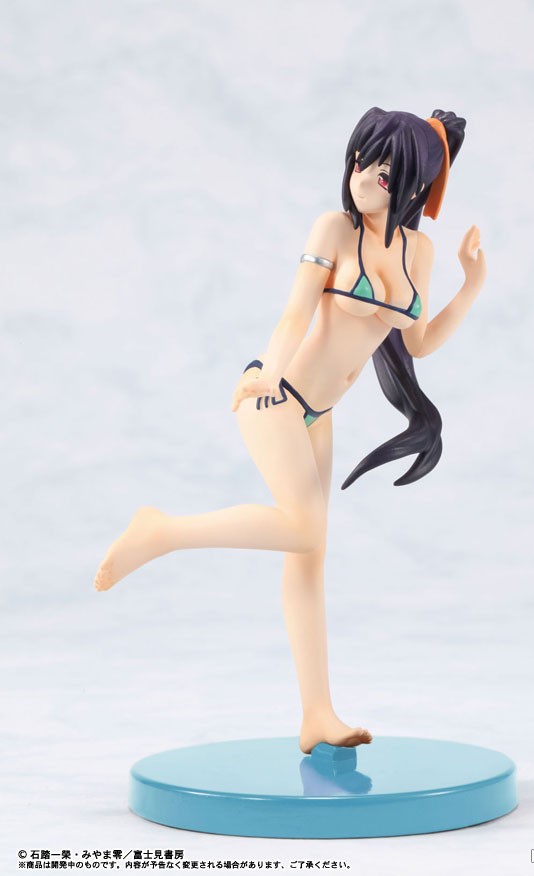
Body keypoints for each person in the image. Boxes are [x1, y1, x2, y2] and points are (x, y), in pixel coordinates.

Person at [94, 107, 487, 754]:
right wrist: (267, 370)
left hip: (319, 415)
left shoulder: (418, 251)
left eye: (382, 172)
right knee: (304, 529)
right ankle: (161, 531)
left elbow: (417, 342)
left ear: (413, 183)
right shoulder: (334, 228)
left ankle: (318, 714)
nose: (362, 177)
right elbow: (294, 313)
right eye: (360, 160)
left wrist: (471, 287)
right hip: (277, 396)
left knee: (309, 558)